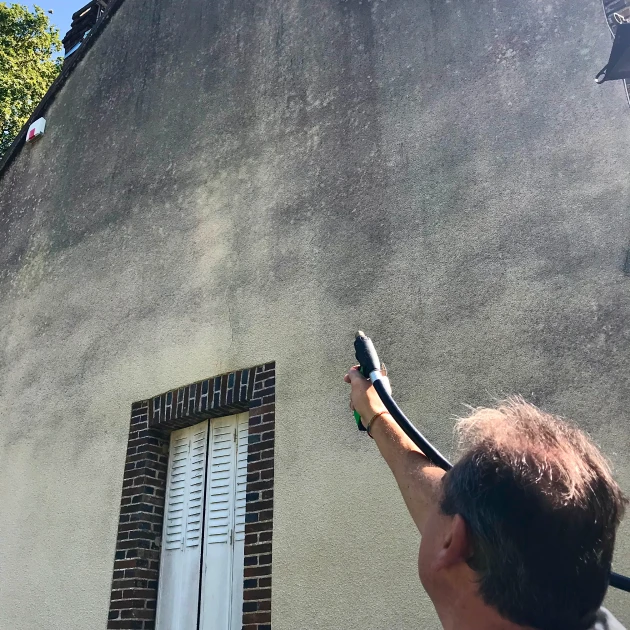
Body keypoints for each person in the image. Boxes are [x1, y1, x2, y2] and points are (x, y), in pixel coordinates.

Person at [344, 366, 628, 630]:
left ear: (453, 541)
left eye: (443, 488)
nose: (434, 489)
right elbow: (434, 499)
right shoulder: (560, 586)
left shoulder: (471, 539)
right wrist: (377, 416)